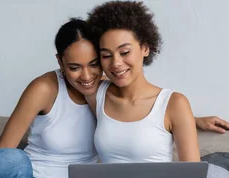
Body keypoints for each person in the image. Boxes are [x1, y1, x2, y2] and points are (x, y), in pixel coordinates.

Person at [0, 18, 229, 178]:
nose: (87, 76)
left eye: (95, 63)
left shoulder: (114, 92)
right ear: (61, 63)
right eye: (74, 67)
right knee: (14, 158)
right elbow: (3, 155)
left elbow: (148, 112)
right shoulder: (70, 89)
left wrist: (191, 119)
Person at [85, 1, 202, 163]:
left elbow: (191, 176)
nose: (116, 63)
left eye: (124, 52)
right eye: (106, 55)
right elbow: (66, 73)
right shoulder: (96, 92)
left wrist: (191, 119)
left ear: (145, 48)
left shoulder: (174, 103)